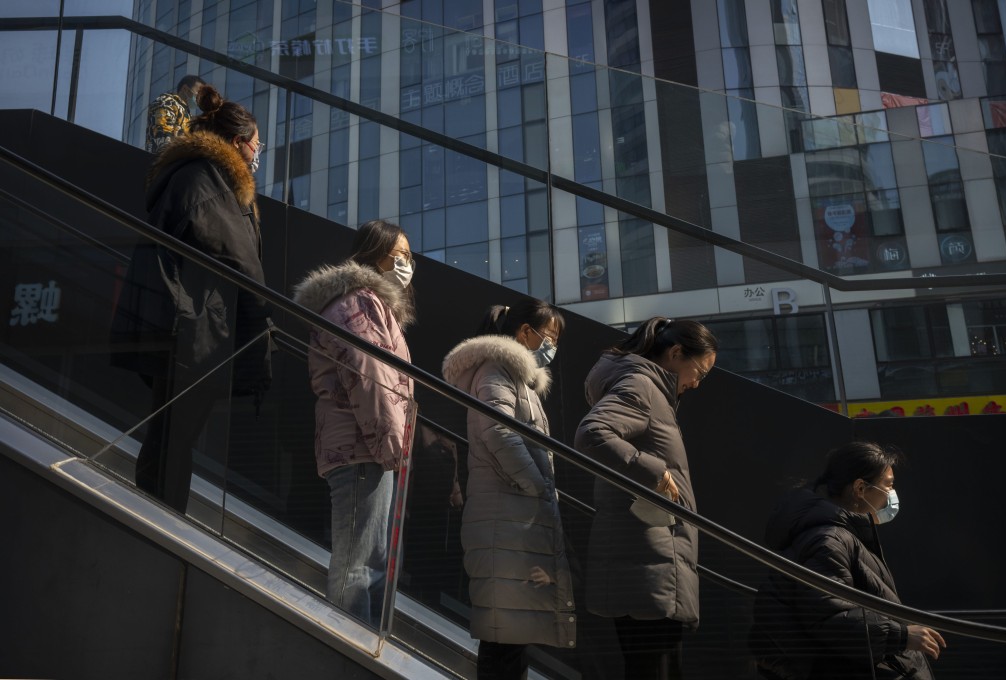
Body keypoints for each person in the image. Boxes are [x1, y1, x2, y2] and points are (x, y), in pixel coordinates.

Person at [111, 83, 272, 513]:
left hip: (184, 325)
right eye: (258, 145)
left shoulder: (201, 176)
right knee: (173, 440)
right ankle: (157, 525)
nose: (259, 153)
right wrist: (264, 328)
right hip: (191, 330)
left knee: (171, 437)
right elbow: (244, 262)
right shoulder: (208, 180)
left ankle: (157, 519)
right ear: (238, 144)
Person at [574, 316, 717, 680]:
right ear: (675, 353)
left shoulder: (649, 388)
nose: (698, 384)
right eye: (698, 371)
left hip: (645, 560)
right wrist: (654, 471)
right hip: (648, 563)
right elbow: (592, 434)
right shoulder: (642, 384)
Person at [291, 220, 417, 628]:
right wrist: (392, 446)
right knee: (357, 567)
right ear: (374, 253)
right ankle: (348, 655)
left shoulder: (370, 303)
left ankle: (367, 650)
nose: (406, 264)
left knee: (371, 565)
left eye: (410, 257)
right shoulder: (355, 302)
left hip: (370, 447)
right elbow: (371, 376)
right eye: (399, 255)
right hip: (364, 447)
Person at [442, 300, 576, 680]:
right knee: (503, 639)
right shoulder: (496, 370)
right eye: (548, 336)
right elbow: (497, 430)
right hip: (506, 518)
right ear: (524, 333)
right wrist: (536, 487)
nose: (551, 345)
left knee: (511, 633)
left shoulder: (517, 379)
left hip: (512, 519)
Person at [749, 441, 946, 680]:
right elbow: (828, 616)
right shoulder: (829, 540)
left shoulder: (837, 534)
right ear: (860, 488)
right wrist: (901, 637)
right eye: (888, 485)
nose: (892, 495)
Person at [145, 75, 205, 153]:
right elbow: (162, 137)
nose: (199, 98)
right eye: (198, 93)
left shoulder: (185, 112)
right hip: (163, 160)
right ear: (185, 89)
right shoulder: (167, 102)